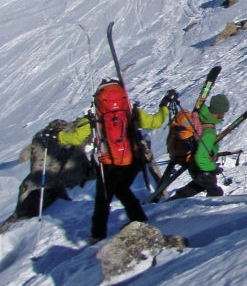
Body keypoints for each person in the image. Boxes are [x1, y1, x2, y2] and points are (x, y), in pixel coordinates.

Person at [58, 81, 172, 243]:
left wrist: (59, 136)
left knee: (103, 200)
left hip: (109, 165)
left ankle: (97, 235)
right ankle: (138, 218)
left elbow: (75, 138)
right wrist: (164, 106)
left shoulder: (95, 115)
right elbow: (155, 122)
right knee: (122, 189)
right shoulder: (130, 112)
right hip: (132, 161)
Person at [170, 94, 230, 200]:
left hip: (191, 163)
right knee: (214, 192)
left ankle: (175, 199)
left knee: (200, 185)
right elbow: (201, 158)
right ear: (221, 112)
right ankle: (209, 212)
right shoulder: (209, 132)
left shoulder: (200, 118)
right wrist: (213, 167)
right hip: (199, 166)